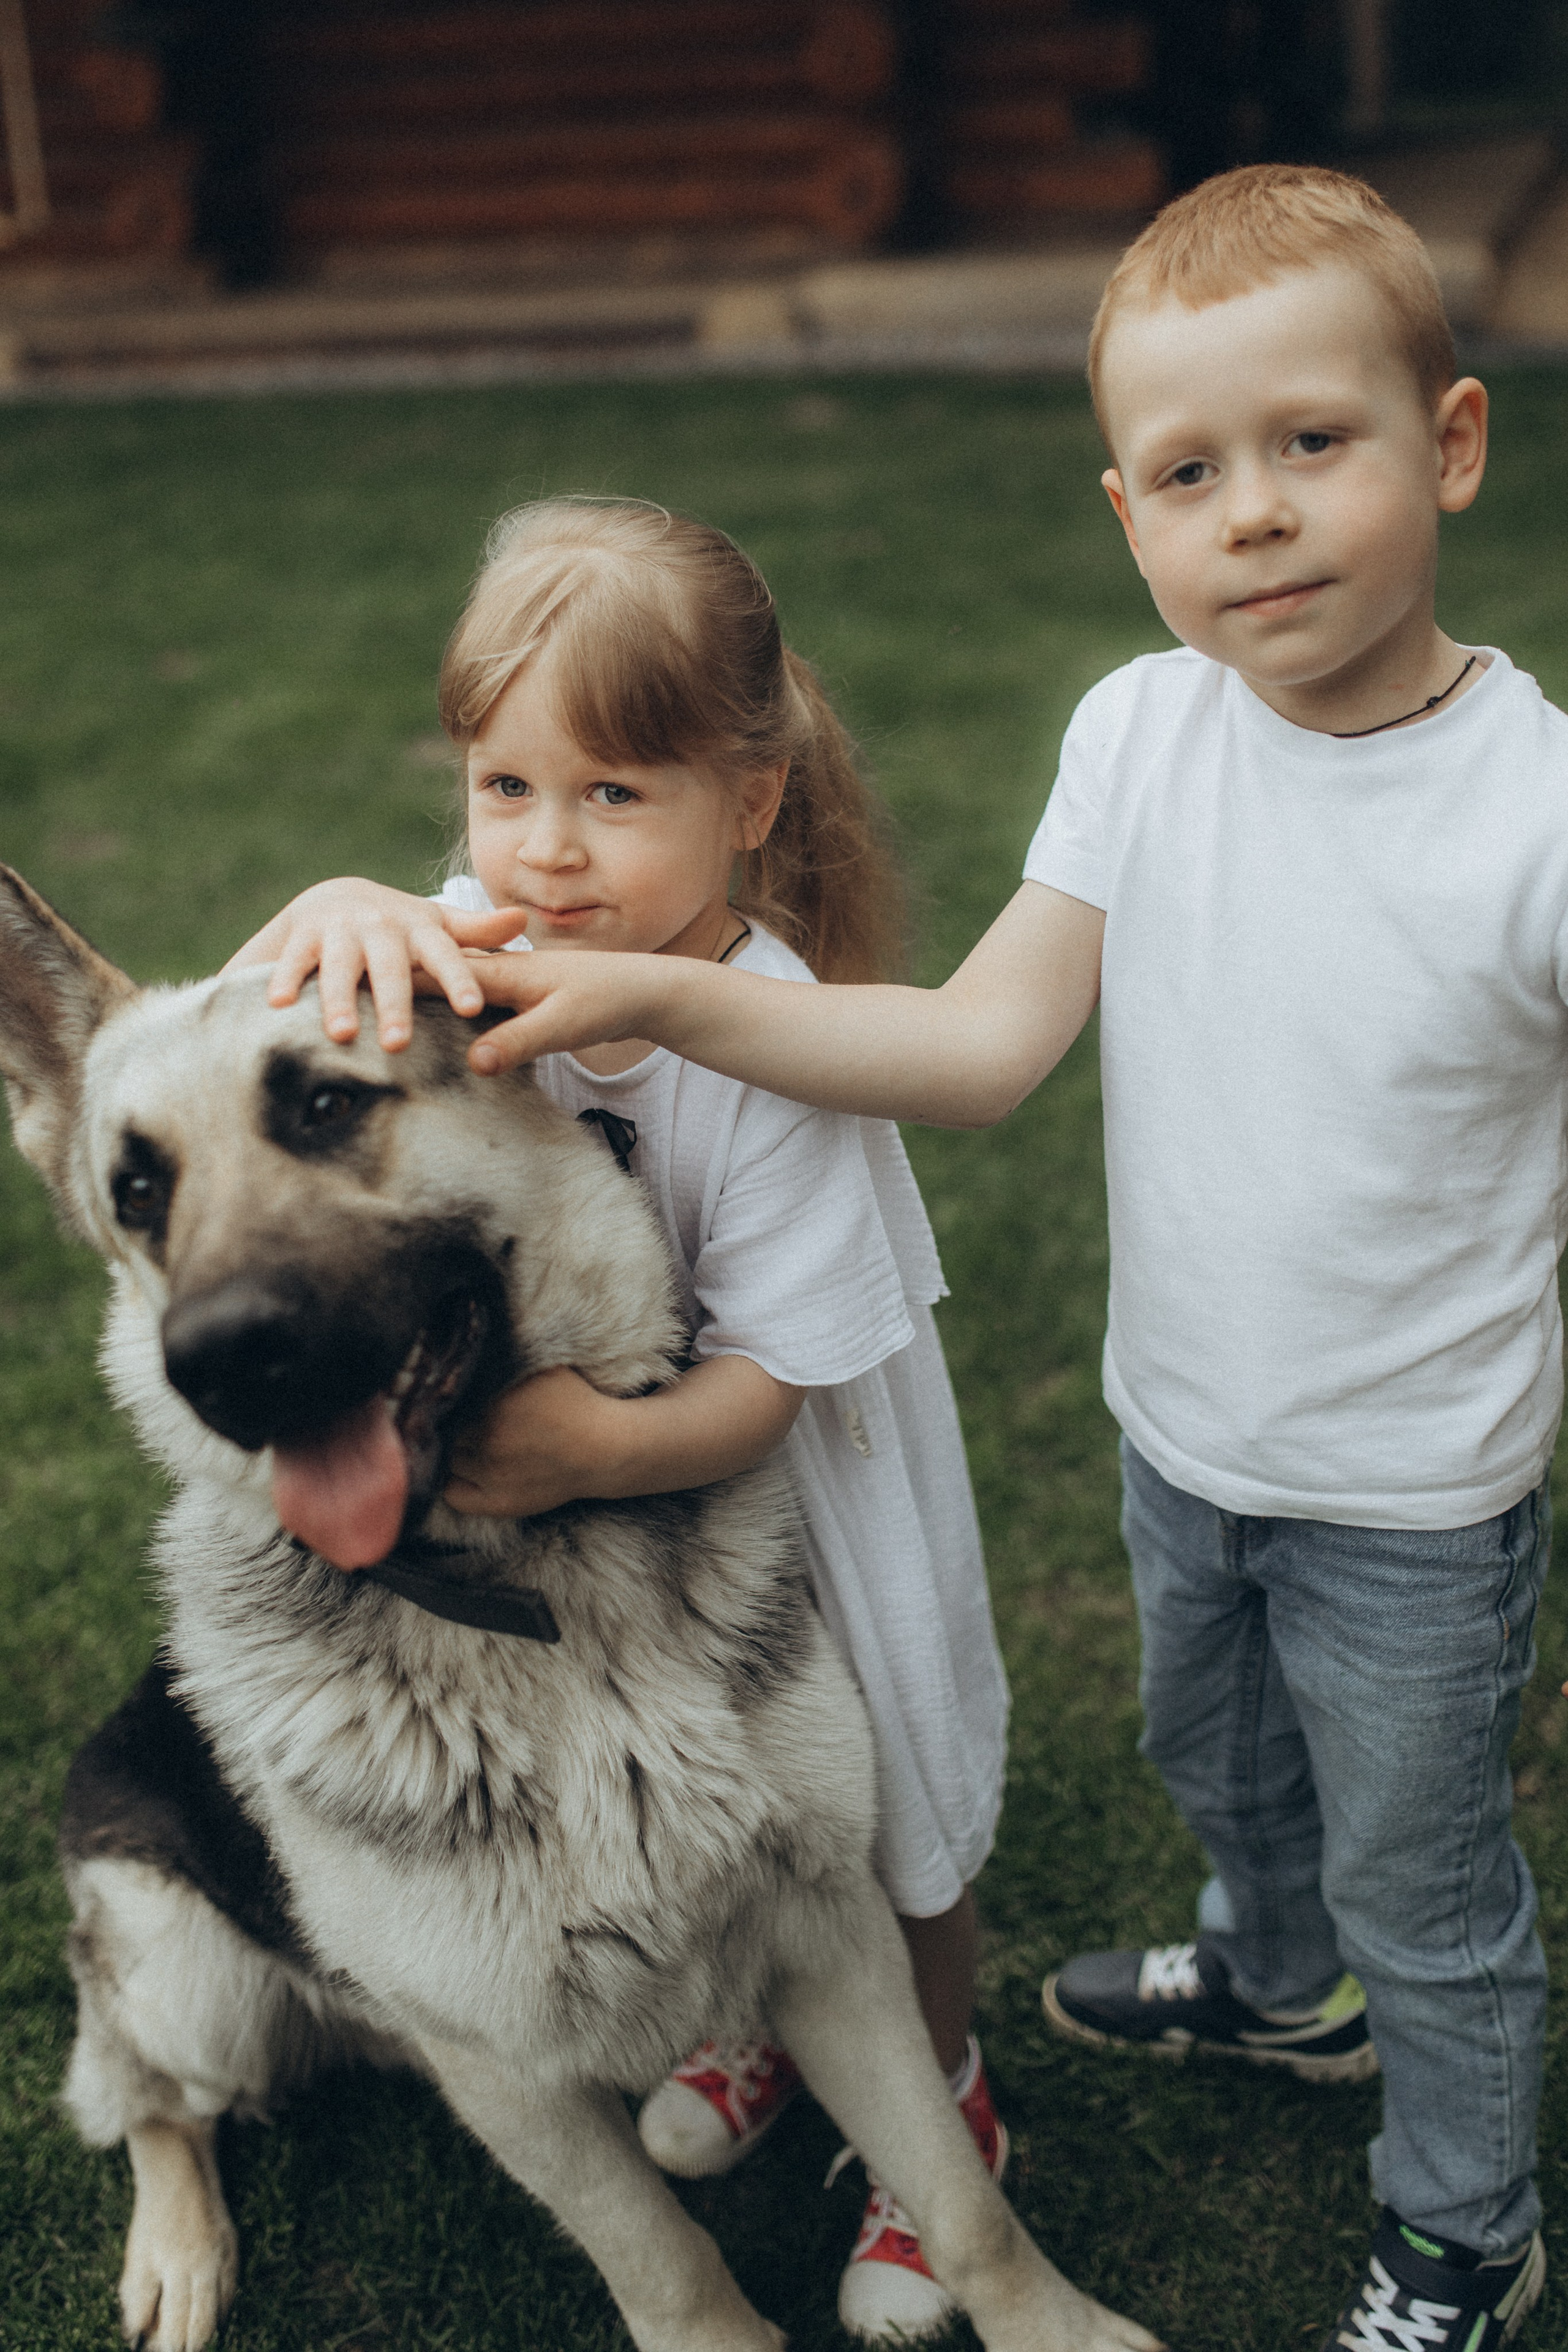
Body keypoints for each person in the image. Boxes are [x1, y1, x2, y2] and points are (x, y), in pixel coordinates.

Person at [439, 168, 1560, 2352]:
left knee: (1435, 1893)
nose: (1251, 515)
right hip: (1188, 1429)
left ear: (1451, 447)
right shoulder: (1145, 738)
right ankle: (1268, 1979)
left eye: (1312, 444)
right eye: (1186, 472)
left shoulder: (1527, 816)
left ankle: (1466, 2217)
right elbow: (964, 1050)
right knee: (1219, 1762)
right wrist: (664, 996)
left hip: (1423, 1489)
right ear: (1124, 510)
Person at [227, 496, 1012, 2346]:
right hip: (638, 1557)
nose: (547, 855)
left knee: (882, 1815)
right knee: (705, 1815)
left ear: (748, 800)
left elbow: (776, 1383)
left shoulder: (770, 1036)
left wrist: (588, 1453)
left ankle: (944, 2100)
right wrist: (353, 903)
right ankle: (758, 2032)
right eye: (506, 789)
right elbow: (323, 973)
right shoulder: (475, 939)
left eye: (613, 797)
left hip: (799, 1499)